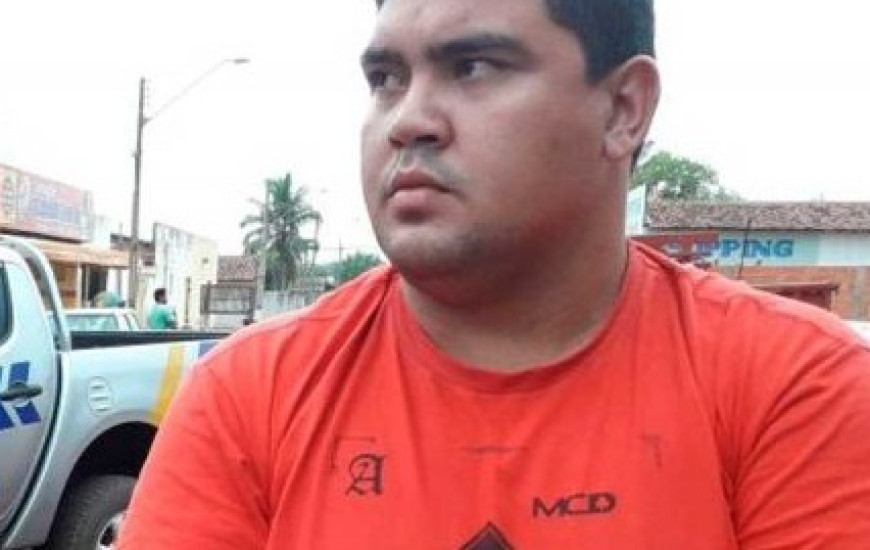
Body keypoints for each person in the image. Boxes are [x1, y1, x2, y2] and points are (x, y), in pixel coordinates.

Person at [120, 0, 870, 547]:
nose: (408, 120)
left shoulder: (795, 388)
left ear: (623, 109)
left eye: (472, 67)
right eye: (386, 77)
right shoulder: (250, 397)